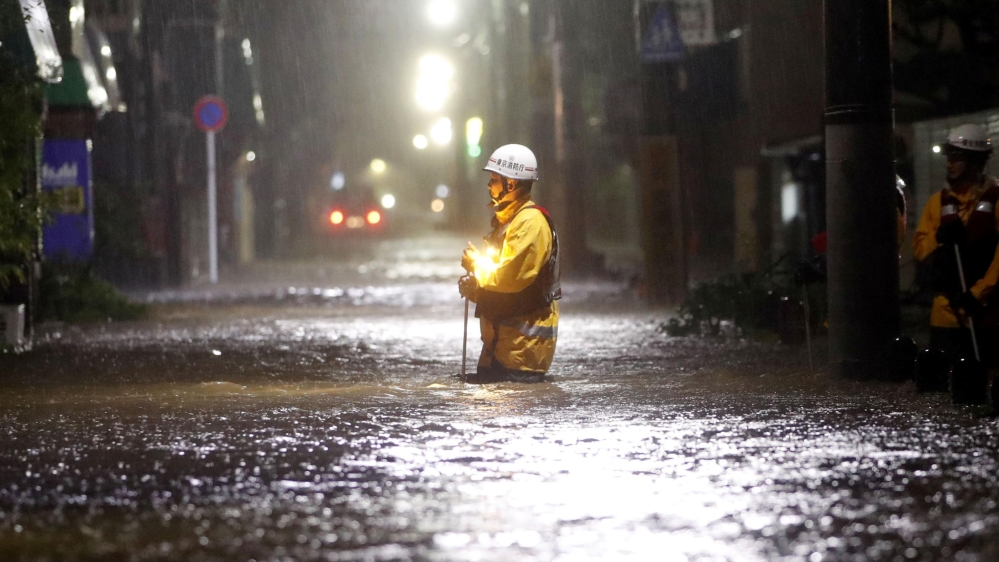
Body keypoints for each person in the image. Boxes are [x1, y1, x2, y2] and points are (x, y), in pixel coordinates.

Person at [457, 144, 561, 383]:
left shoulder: (530, 223)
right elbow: (501, 288)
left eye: (494, 179)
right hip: (502, 351)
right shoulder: (511, 223)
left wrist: (476, 267)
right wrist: (477, 289)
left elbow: (508, 279)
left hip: (521, 355)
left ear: (511, 184)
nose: (488, 186)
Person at [913, 123, 999, 366]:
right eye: (949, 157)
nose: (949, 163)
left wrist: (978, 294)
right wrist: (939, 237)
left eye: (956, 158)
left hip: (987, 316)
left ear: (975, 161)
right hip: (944, 316)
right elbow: (919, 249)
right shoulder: (938, 202)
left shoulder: (995, 198)